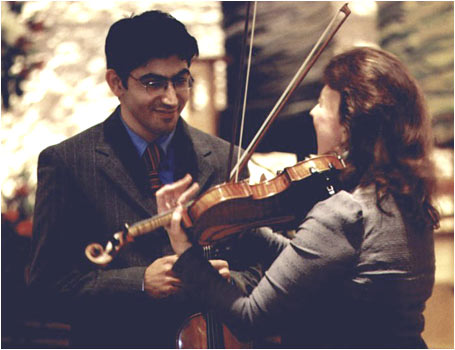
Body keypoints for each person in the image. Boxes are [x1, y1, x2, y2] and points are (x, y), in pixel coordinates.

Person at [159, 47, 440, 348]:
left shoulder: (344, 213)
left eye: (322, 104)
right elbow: (312, 261)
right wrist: (242, 224)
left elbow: (251, 318)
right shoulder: (407, 199)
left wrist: (186, 254)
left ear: (349, 127)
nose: (313, 112)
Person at [27, 10, 262, 348]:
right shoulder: (66, 163)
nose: (171, 98)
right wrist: (139, 282)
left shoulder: (228, 158)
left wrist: (224, 281)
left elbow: (258, 269)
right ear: (116, 83)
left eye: (180, 80)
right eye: (153, 83)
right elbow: (46, 288)